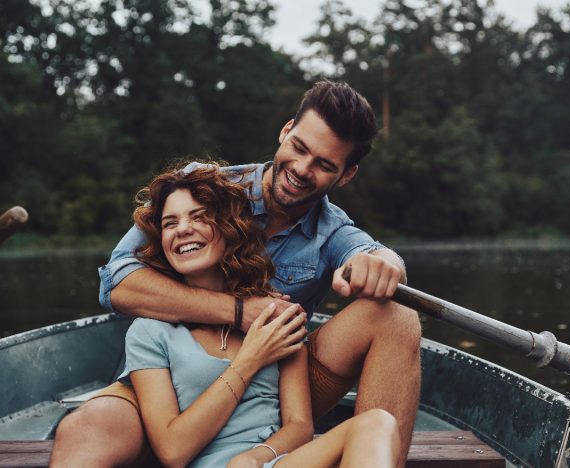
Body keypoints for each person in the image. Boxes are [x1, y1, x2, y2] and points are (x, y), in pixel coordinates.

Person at [51, 81, 422, 467]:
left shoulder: (333, 232)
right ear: (285, 131)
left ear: (345, 175)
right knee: (86, 429)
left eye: (325, 165)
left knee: (396, 315)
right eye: (298, 147)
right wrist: (238, 311)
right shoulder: (206, 191)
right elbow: (117, 282)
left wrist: (385, 264)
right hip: (170, 377)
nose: (301, 168)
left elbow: (372, 253)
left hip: (273, 382)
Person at [117, 165, 401, 467]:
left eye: (199, 216)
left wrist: (254, 457)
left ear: (229, 227)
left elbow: (300, 425)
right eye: (169, 224)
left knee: (377, 423)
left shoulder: (275, 316)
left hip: (272, 463)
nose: (183, 229)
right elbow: (173, 451)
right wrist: (250, 360)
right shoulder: (148, 333)